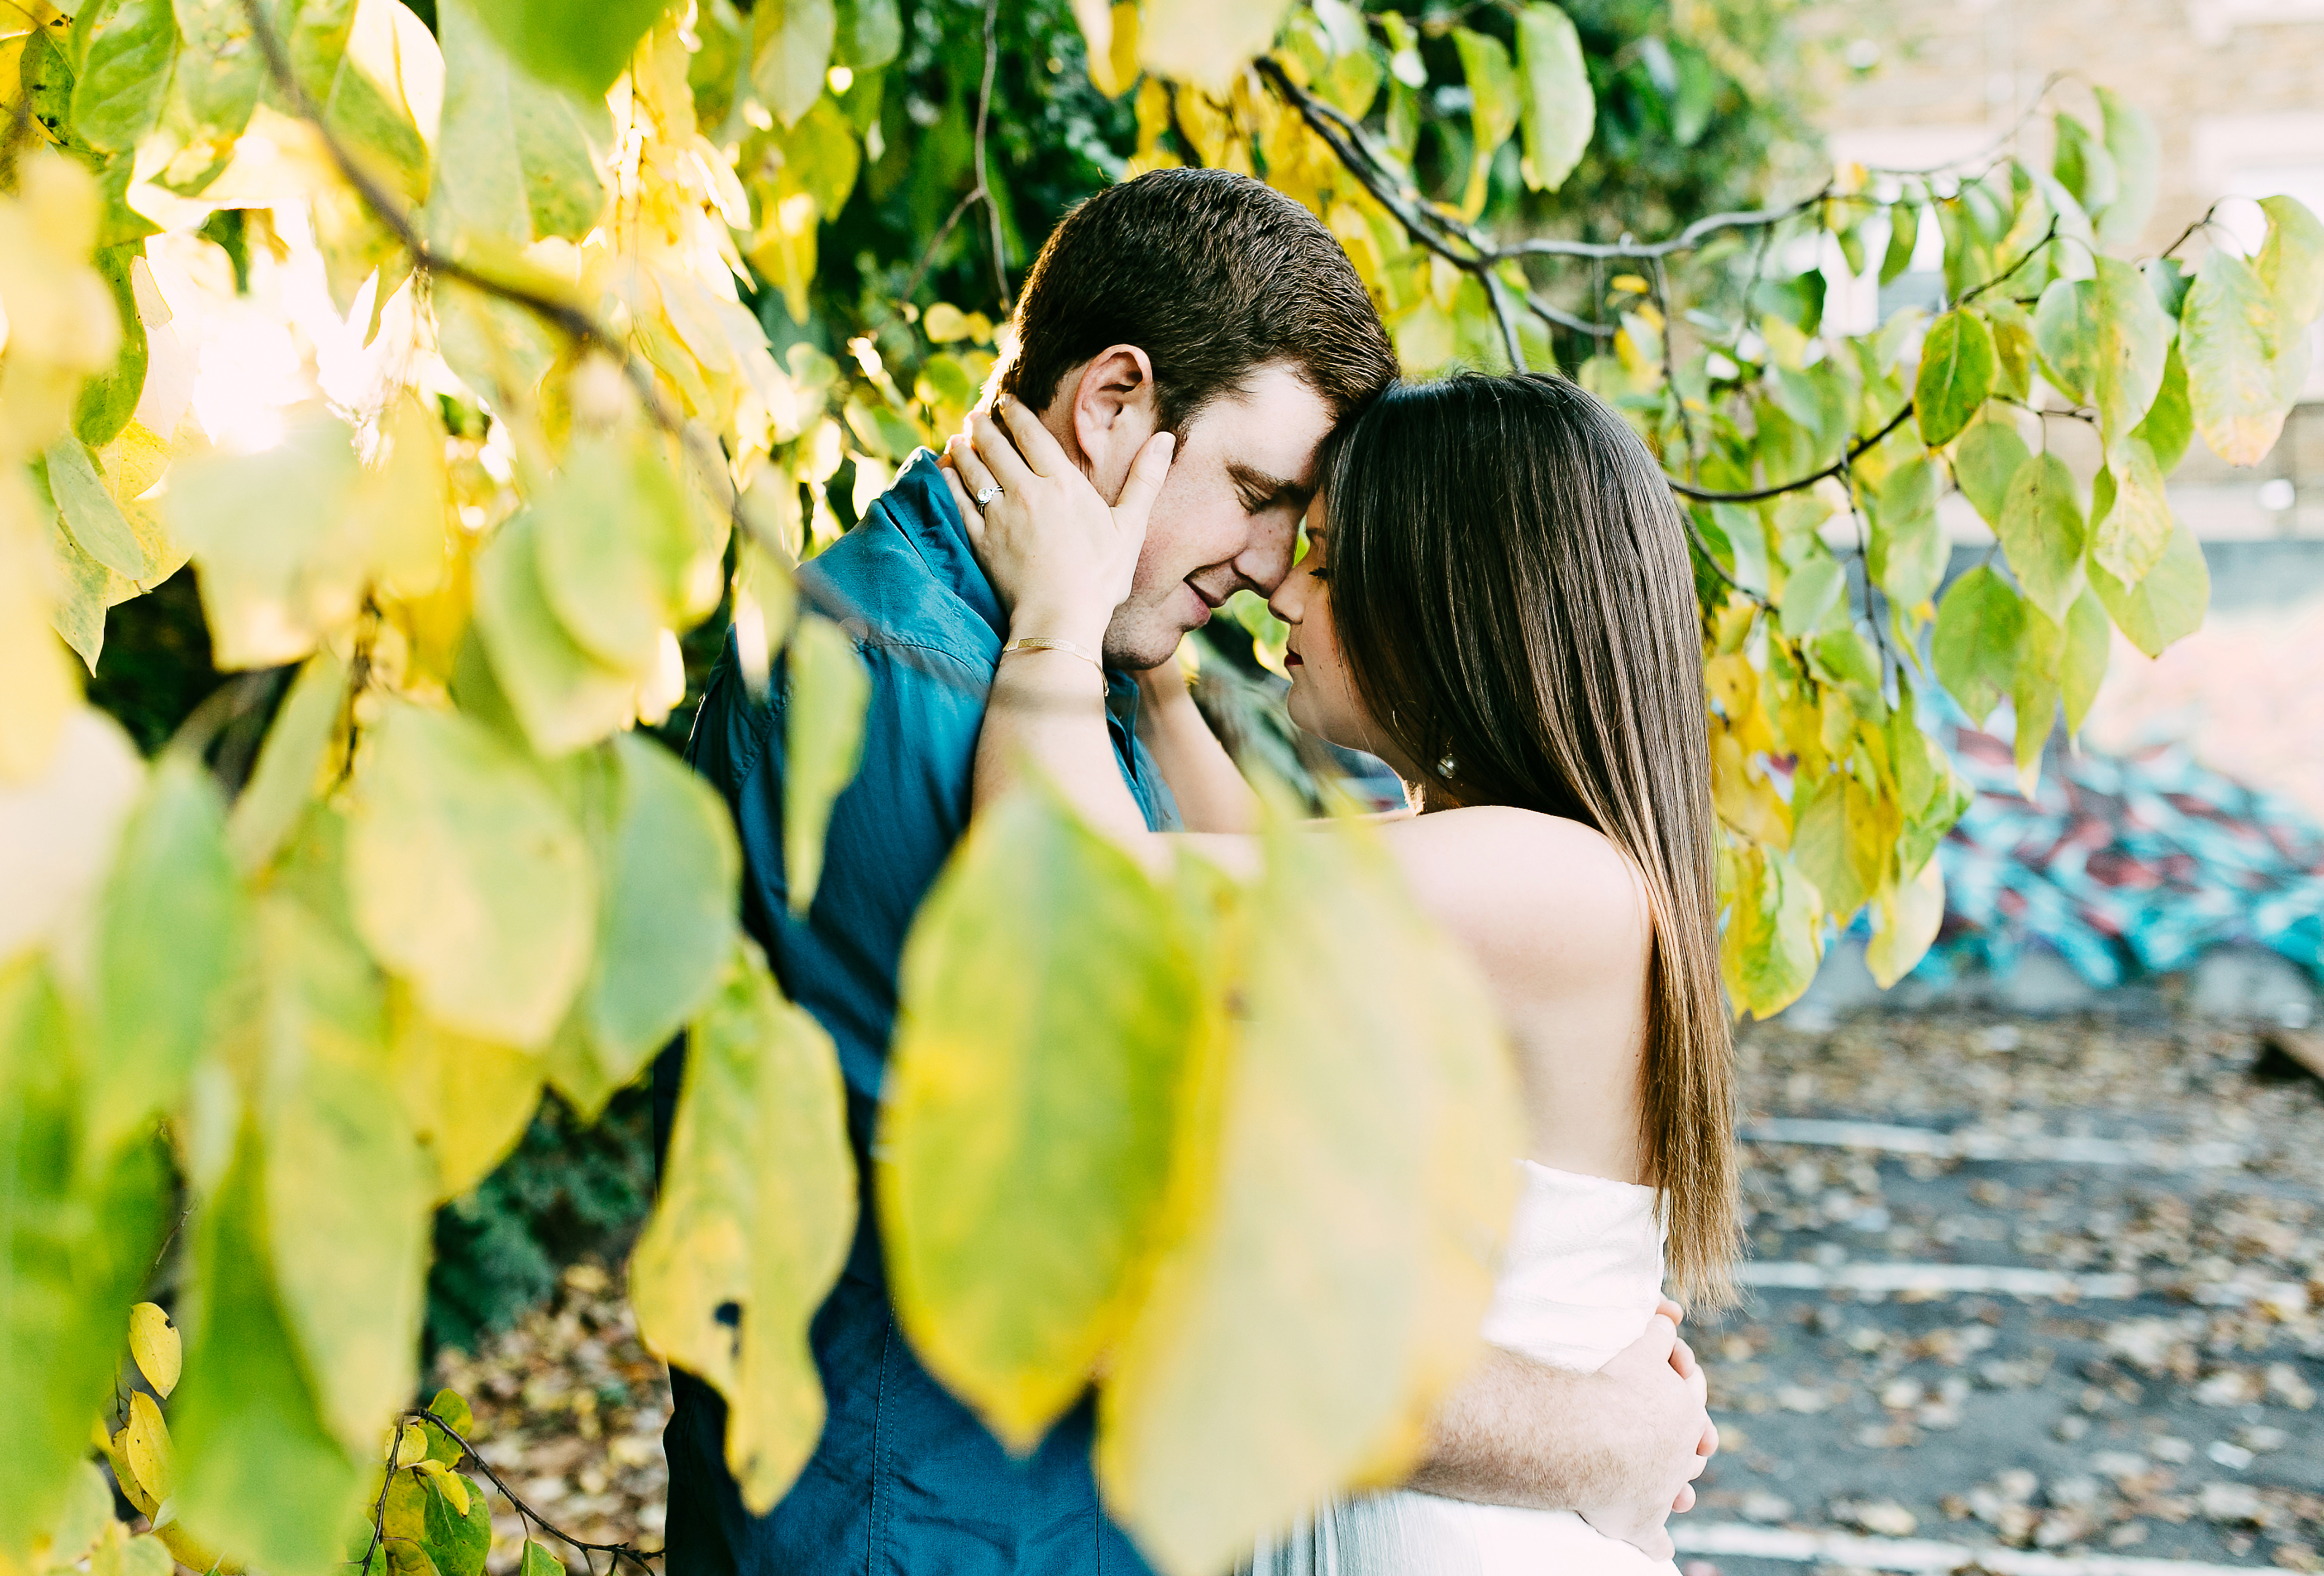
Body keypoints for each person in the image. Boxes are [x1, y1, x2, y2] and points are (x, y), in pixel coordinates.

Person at [664, 166, 1713, 1576]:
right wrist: (1589, 1436)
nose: (1280, 574)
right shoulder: (907, 686)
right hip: (937, 1536)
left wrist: (1092, 642)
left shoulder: (1528, 874)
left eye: (1323, 545)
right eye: (1264, 498)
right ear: (1113, 407)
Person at [939, 368, 1736, 1575]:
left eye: (1323, 555)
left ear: (1452, 594)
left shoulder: (1555, 883)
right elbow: (1247, 867)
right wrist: (1154, 671)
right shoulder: (1512, 865)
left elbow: (1073, 891)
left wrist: (1057, 615)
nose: (1282, 596)